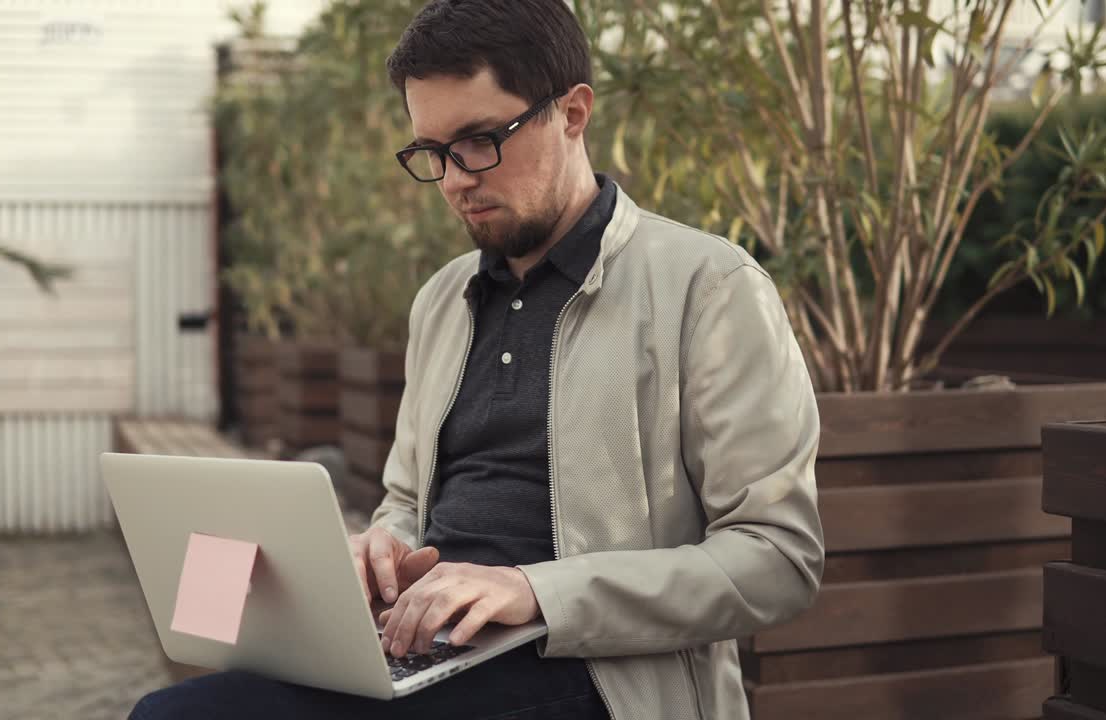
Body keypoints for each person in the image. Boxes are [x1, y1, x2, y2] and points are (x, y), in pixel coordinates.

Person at [129, 0, 823, 718]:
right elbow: (406, 502)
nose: (456, 178)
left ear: (573, 113)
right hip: (430, 652)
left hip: (598, 677)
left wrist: (531, 592)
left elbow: (778, 561)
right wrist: (383, 550)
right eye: (432, 152)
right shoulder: (442, 300)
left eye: (480, 139)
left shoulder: (708, 289)